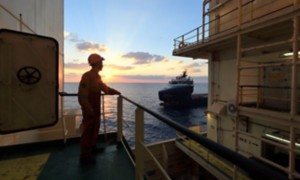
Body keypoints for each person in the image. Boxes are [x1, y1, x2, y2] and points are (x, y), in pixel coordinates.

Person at [78, 53, 120, 165]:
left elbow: (105, 88)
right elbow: (82, 97)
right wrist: (89, 110)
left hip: (95, 110)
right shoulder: (87, 76)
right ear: (96, 63)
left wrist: (115, 92)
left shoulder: (97, 77)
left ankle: (93, 148)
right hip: (90, 111)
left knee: (95, 129)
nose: (102, 64)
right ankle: (85, 157)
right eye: (101, 62)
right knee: (87, 132)